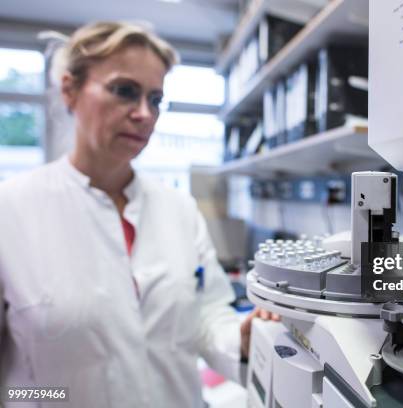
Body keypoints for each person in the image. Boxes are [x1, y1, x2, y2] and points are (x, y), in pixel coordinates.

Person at [0, 21, 275, 408]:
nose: (145, 113)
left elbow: (208, 316)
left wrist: (242, 340)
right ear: (70, 90)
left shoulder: (178, 209)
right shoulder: (11, 210)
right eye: (124, 91)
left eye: (156, 99)